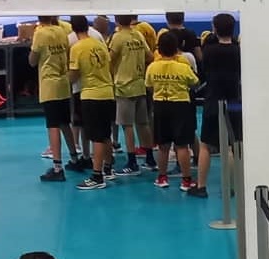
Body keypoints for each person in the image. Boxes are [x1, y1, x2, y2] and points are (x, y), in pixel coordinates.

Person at [146, 31, 201, 195]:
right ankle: (186, 180)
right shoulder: (183, 67)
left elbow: (149, 86)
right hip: (181, 106)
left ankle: (162, 178)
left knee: (163, 145)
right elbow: (195, 83)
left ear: (159, 49)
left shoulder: (152, 67)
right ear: (177, 48)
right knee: (182, 145)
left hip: (160, 106)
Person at [28, 15, 82, 181]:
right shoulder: (61, 31)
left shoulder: (40, 33)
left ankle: (57, 168)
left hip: (49, 84)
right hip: (63, 83)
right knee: (65, 123)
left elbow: (32, 60)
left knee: (53, 126)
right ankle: (75, 159)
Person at [194, 12, 241, 193]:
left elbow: (204, 70)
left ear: (215, 28)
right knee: (232, 145)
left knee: (206, 145)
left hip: (213, 100)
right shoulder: (238, 50)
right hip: (234, 101)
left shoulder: (209, 51)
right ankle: (231, 187)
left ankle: (201, 186)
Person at [67, 14, 115, 190]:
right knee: (105, 134)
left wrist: (65, 77)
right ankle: (108, 168)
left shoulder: (77, 48)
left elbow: (74, 75)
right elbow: (109, 67)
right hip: (107, 92)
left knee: (96, 136)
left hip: (91, 95)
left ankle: (97, 175)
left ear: (73, 29)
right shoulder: (100, 44)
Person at [110, 12, 151, 175]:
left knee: (127, 126)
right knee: (143, 123)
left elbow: (109, 59)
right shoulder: (138, 35)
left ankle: (132, 162)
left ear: (116, 21)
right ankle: (150, 159)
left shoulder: (118, 37)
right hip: (139, 84)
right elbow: (149, 56)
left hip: (124, 87)